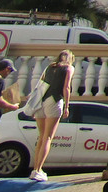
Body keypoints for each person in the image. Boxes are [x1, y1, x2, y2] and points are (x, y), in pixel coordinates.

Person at [31, 49, 74, 181]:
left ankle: (35, 169)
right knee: (48, 137)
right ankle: (38, 170)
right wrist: (67, 106)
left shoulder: (50, 67)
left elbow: (40, 83)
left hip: (41, 100)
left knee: (41, 137)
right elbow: (66, 87)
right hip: (54, 100)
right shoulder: (69, 68)